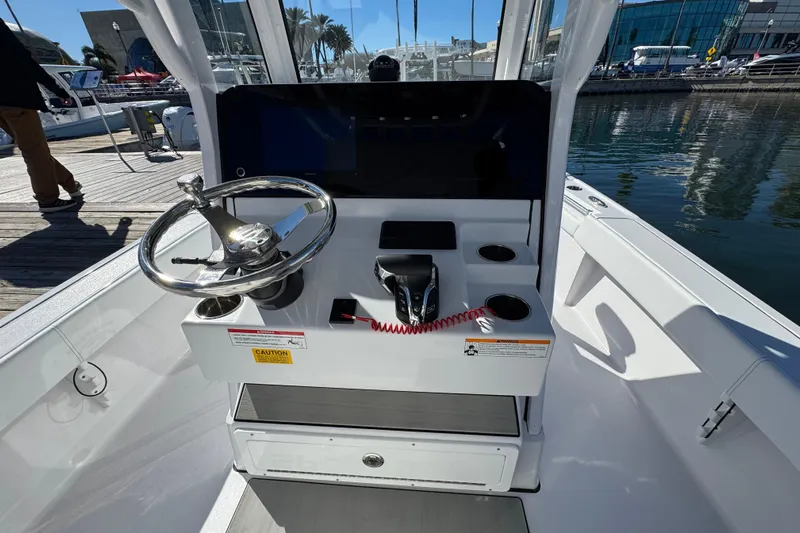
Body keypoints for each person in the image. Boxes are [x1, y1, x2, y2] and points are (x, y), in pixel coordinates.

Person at [0, 18, 83, 212]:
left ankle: (70, 184)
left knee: (34, 149)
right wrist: (58, 90)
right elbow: (24, 60)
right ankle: (48, 200)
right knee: (34, 151)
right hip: (15, 99)